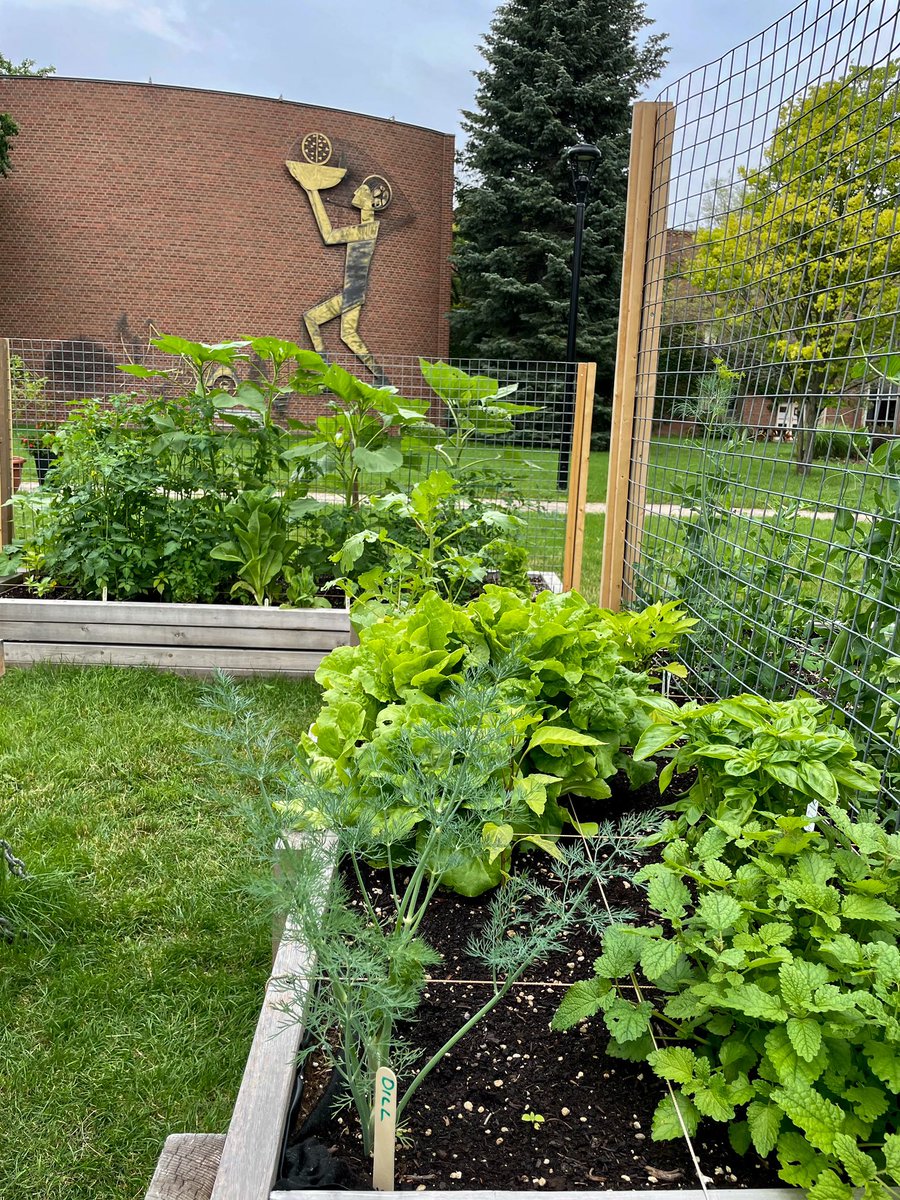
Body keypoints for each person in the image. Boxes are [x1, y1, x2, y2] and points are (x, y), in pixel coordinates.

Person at [287, 162, 392, 386]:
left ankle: (326, 375)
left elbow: (328, 235)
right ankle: (380, 377)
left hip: (353, 291)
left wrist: (313, 193)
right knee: (348, 334)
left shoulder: (368, 228)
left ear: (372, 202)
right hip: (355, 290)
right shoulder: (367, 228)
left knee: (311, 319)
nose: (355, 192)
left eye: (361, 191)